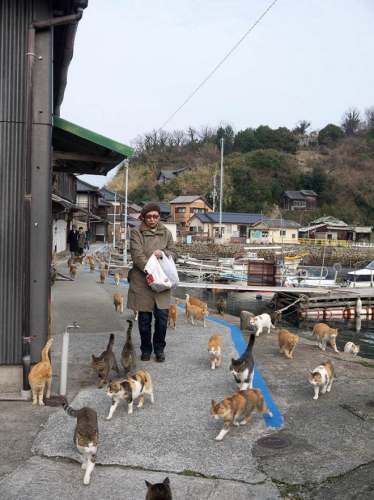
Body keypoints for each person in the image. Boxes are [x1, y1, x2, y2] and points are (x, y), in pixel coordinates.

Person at [127, 203, 178, 362]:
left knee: (162, 317)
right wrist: (151, 271)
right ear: (143, 217)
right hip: (143, 281)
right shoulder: (136, 232)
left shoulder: (166, 233)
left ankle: (160, 349)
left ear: (159, 217)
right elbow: (137, 255)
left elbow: (174, 253)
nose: (152, 219)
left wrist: (163, 254)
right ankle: (146, 349)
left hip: (161, 283)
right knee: (144, 319)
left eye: (155, 216)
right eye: (148, 216)